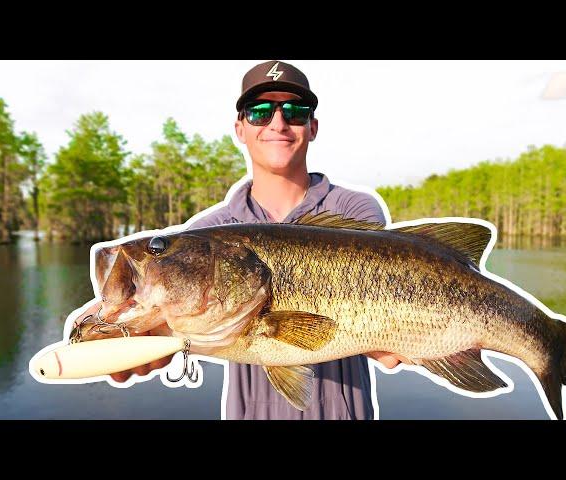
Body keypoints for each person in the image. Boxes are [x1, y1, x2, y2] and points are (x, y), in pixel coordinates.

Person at [79, 61, 403, 419]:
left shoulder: (353, 211)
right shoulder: (211, 228)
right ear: (240, 128)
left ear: (312, 126)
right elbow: (163, 312)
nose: (278, 123)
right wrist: (101, 326)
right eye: (260, 112)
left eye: (294, 112)